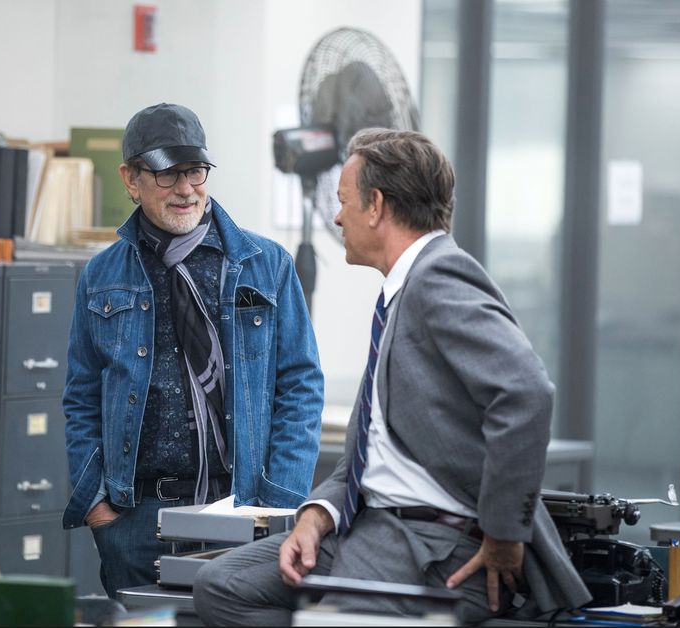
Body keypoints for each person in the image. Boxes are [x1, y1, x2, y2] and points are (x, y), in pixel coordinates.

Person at [193, 129, 591, 625]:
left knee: (328, 621)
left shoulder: (438, 277)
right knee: (219, 587)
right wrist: (317, 515)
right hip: (371, 528)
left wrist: (505, 533)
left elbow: (527, 393)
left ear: (376, 205)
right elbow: (371, 445)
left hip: (430, 546)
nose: (337, 218)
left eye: (344, 202)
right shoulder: (399, 292)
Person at [62, 103, 324, 597]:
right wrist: (97, 508)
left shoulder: (266, 265)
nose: (186, 189)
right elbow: (82, 397)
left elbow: (301, 387)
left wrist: (280, 501)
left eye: (195, 171)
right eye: (168, 174)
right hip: (137, 520)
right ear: (131, 178)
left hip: (244, 510)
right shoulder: (102, 276)